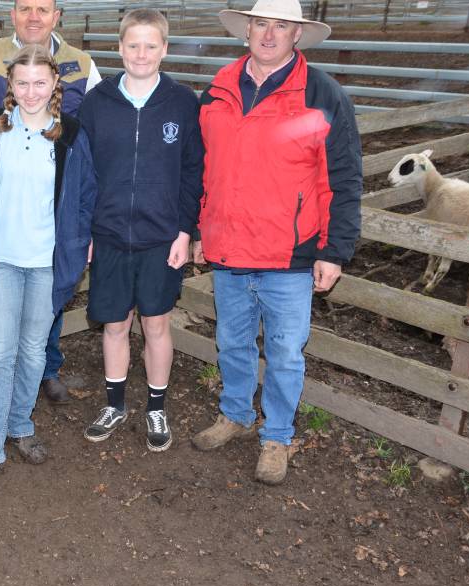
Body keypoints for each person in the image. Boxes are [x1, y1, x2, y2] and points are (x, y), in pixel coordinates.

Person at [191, 0, 362, 484]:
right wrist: (202, 227)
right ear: (246, 30)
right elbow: (202, 169)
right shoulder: (217, 91)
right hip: (228, 248)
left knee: (286, 350)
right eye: (261, 23)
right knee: (232, 342)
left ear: (297, 35)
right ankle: (237, 415)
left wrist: (334, 250)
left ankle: (277, 435)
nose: (269, 34)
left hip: (289, 253)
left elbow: (343, 178)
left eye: (281, 26)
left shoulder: (322, 95)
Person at [0, 45, 95, 493]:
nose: (31, 91)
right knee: (1, 355)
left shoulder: (71, 134)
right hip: (1, 260)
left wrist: (75, 253)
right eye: (22, 83)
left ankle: (20, 425)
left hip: (45, 264)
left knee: (34, 352)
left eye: (40, 82)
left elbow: (84, 198)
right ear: (9, 87)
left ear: (55, 84)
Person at [77, 9, 204, 451]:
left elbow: (193, 173)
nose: (142, 54)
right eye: (133, 45)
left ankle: (155, 408)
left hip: (161, 238)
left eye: (151, 45)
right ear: (119, 48)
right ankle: (115, 404)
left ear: (165, 50)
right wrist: (87, 228)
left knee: (155, 324)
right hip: (109, 234)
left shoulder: (184, 103)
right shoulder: (98, 102)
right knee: (114, 324)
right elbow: (84, 171)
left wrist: (185, 232)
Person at [0, 0, 101, 403]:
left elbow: (91, 129)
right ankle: (9, 369)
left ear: (57, 16)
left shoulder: (82, 63)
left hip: (53, 199)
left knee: (51, 285)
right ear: (12, 14)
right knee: (4, 294)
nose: (33, 17)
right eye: (25, 8)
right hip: (5, 196)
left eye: (43, 9)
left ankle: (47, 366)